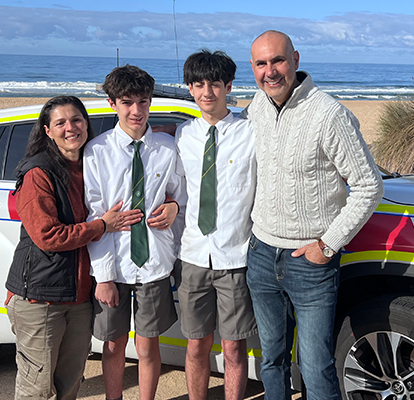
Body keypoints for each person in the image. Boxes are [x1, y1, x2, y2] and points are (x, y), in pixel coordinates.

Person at [242, 30, 384, 399]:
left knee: (316, 366)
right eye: (261, 63)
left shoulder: (329, 114)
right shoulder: (255, 107)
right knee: (271, 360)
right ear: (253, 68)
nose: (270, 71)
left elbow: (369, 186)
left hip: (311, 262)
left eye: (278, 60)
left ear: (296, 60)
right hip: (260, 256)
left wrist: (328, 245)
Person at [5, 95, 143, 400]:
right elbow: (48, 235)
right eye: (61, 123)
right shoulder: (38, 173)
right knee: (37, 389)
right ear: (47, 131)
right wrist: (102, 226)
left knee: (70, 384)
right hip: (40, 298)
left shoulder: (91, 165)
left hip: (79, 298)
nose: (71, 128)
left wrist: (163, 132)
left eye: (77, 120)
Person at [84, 65, 183, 400]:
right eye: (127, 102)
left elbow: (177, 195)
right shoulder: (97, 152)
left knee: (147, 344)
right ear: (113, 103)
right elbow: (95, 214)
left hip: (153, 263)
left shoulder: (168, 148)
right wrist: (104, 276)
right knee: (113, 344)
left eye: (143, 101)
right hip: (114, 265)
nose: (136, 110)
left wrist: (175, 208)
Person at [174, 49, 257, 400]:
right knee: (195, 345)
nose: (207, 91)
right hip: (193, 254)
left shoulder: (250, 133)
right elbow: (173, 190)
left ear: (229, 86)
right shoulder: (181, 136)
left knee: (235, 348)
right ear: (190, 89)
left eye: (215, 83)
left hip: (235, 256)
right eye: (198, 84)